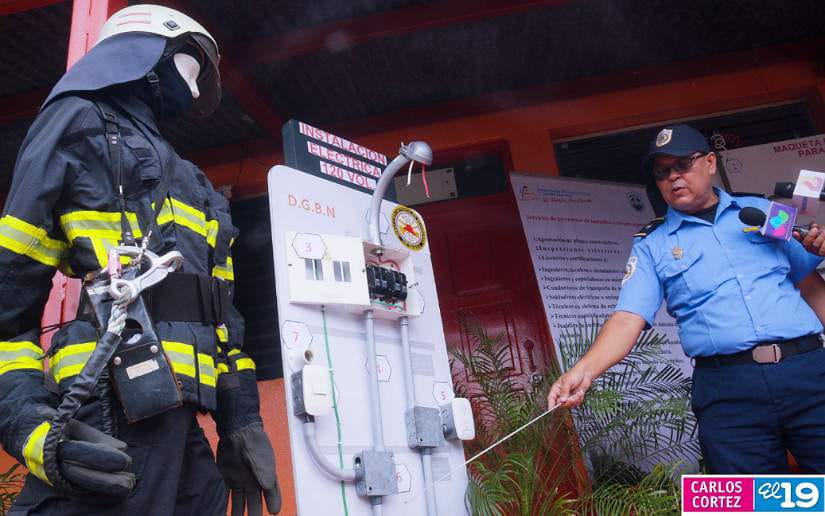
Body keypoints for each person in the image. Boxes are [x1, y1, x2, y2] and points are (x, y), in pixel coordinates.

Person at [0, 5, 280, 515]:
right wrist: (29, 427)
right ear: (144, 57)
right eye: (191, 69)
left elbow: (222, 321)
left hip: (183, 424)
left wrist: (241, 421)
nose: (196, 93)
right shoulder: (76, 122)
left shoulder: (196, 183)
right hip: (107, 411)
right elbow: (6, 309)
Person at [548, 124, 825, 474]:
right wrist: (582, 372)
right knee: (751, 504)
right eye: (662, 172)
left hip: (809, 372)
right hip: (728, 390)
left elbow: (810, 284)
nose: (673, 177)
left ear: (710, 162)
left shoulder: (761, 211)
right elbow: (627, 318)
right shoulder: (652, 244)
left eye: (682, 164)